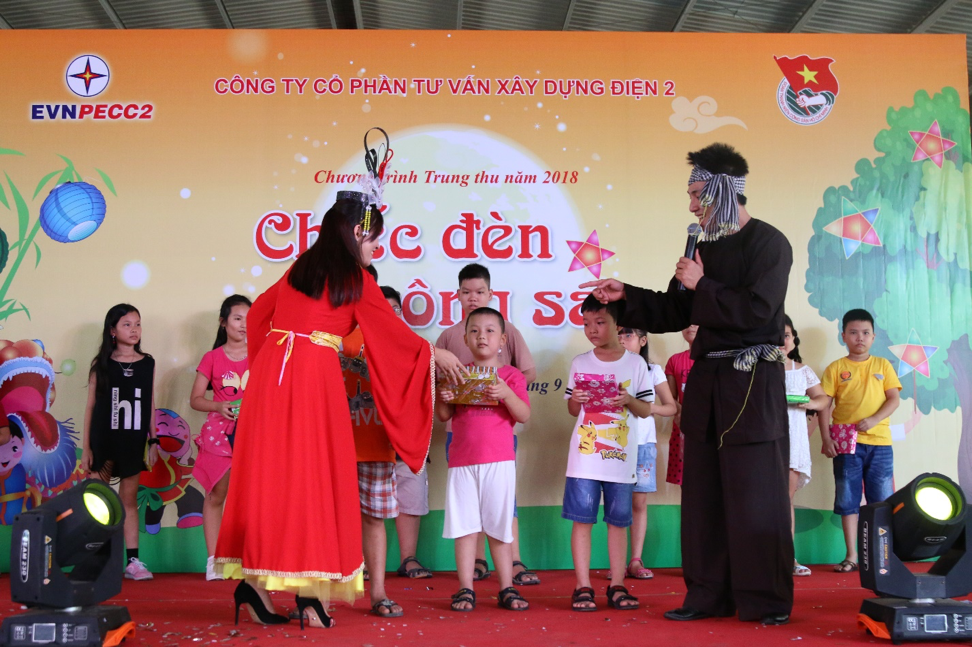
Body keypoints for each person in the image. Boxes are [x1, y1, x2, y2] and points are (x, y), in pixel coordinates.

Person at [214, 195, 466, 629]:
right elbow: (390, 332)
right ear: (356, 233)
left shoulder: (302, 266)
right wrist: (433, 353)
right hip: (312, 376)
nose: (377, 247)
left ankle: (256, 585)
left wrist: (266, 371)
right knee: (313, 479)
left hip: (274, 376)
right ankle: (309, 595)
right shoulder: (355, 277)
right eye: (374, 239)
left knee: (275, 477)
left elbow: (258, 318)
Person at [582, 143, 794, 625]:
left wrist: (703, 284)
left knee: (755, 493)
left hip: (750, 381)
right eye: (691, 194)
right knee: (702, 494)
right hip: (707, 382)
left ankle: (765, 600)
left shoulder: (769, 243)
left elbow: (759, 311)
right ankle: (707, 595)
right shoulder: (703, 248)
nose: (692, 205)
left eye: (698, 194)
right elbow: (676, 310)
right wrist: (625, 295)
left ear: (723, 191)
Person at [435, 263, 539, 586]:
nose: (482, 337)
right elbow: (442, 407)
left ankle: (510, 574)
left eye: (479, 291)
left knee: (502, 513)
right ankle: (471, 578)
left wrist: (505, 392)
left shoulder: (510, 362)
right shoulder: (449, 339)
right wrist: (446, 394)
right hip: (462, 447)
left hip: (499, 448)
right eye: (466, 292)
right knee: (466, 518)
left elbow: (524, 405)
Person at [563, 295, 653, 613]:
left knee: (618, 522)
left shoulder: (635, 363)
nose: (592, 329)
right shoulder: (580, 362)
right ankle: (582, 586)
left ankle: (617, 584)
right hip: (584, 459)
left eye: (600, 322)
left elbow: (646, 409)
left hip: (621, 459)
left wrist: (628, 400)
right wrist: (577, 399)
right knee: (582, 521)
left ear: (618, 324)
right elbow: (572, 408)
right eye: (586, 323)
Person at [342, 269, 405, 618]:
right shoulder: (328, 332)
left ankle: (378, 592)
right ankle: (319, 596)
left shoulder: (390, 332)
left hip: (376, 443)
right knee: (330, 519)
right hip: (333, 444)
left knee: (374, 519)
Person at [819, 308, 901, 574]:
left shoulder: (883, 365)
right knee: (848, 500)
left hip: (880, 443)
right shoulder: (835, 368)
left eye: (865, 333)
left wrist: (875, 419)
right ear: (843, 336)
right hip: (845, 444)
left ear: (873, 337)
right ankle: (852, 555)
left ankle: (882, 556)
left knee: (881, 502)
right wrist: (826, 438)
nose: (860, 338)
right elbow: (823, 405)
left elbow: (894, 399)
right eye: (853, 332)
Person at [82, 303, 159, 581]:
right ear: (112, 330)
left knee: (128, 500)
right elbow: (91, 407)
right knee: (100, 501)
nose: (134, 329)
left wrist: (153, 440)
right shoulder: (101, 364)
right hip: (103, 441)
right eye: (127, 324)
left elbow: (150, 402)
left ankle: (133, 562)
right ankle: (97, 559)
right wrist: (86, 448)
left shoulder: (147, 363)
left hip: (132, 442)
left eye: (137, 324)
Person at [189, 295, 251, 581]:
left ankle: (250, 560)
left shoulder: (261, 354)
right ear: (223, 322)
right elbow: (195, 399)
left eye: (248, 319)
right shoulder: (212, 358)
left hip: (254, 434)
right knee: (216, 494)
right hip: (219, 436)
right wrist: (218, 406)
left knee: (251, 499)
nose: (244, 324)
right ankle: (214, 560)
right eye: (238, 318)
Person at [618, 327, 676, 580]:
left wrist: (646, 408)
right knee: (617, 504)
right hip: (614, 445)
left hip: (643, 444)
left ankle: (635, 560)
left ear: (642, 341)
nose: (621, 340)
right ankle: (617, 562)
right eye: (618, 335)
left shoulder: (653, 371)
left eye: (628, 335)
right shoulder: (607, 368)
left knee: (639, 503)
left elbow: (671, 407)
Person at [384, 286, 433, 581]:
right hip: (371, 439)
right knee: (366, 505)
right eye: (383, 309)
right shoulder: (353, 346)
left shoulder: (418, 347)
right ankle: (362, 563)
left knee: (411, 499)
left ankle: (408, 558)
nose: (390, 315)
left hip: (408, 438)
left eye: (395, 309)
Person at [781, 315, 828, 577]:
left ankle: (788, 556)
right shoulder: (757, 370)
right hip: (764, 442)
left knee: (785, 499)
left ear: (794, 339)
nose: (781, 340)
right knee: (761, 500)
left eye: (786, 335)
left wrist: (806, 403)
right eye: (775, 336)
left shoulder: (802, 370)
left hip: (793, 441)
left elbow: (823, 399)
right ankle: (761, 557)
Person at [665, 325, 697, 486]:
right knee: (686, 482)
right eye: (686, 322)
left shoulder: (715, 359)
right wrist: (683, 413)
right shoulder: (675, 360)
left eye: (695, 322)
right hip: (682, 429)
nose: (690, 326)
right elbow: (670, 398)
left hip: (709, 429)